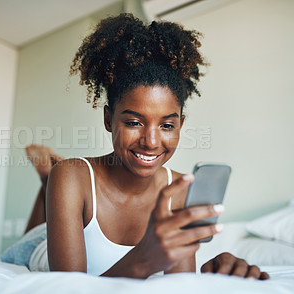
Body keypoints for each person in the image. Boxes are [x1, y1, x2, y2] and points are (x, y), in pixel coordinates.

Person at [22, 13, 269, 280]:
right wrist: (143, 261)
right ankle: (47, 183)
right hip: (41, 249)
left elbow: (179, 283)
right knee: (39, 231)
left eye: (167, 126)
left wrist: (213, 274)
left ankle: (48, 186)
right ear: (108, 119)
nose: (151, 142)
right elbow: (65, 287)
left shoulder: (181, 191)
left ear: (180, 125)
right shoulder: (71, 175)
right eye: (133, 122)